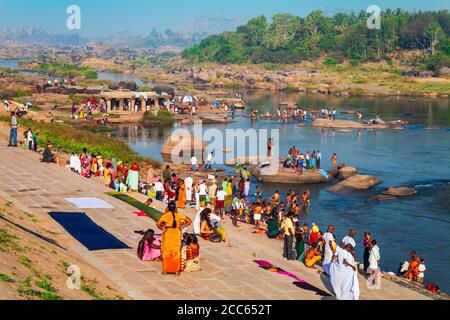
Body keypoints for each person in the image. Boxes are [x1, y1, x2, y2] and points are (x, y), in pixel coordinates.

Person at [156, 202, 192, 275]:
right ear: (175, 208)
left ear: (168, 208)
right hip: (176, 234)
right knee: (176, 252)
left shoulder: (166, 215)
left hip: (168, 234)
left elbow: (158, 223)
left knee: (167, 252)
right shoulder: (179, 215)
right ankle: (176, 270)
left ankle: (166, 270)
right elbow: (189, 221)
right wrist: (182, 226)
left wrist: (162, 229)